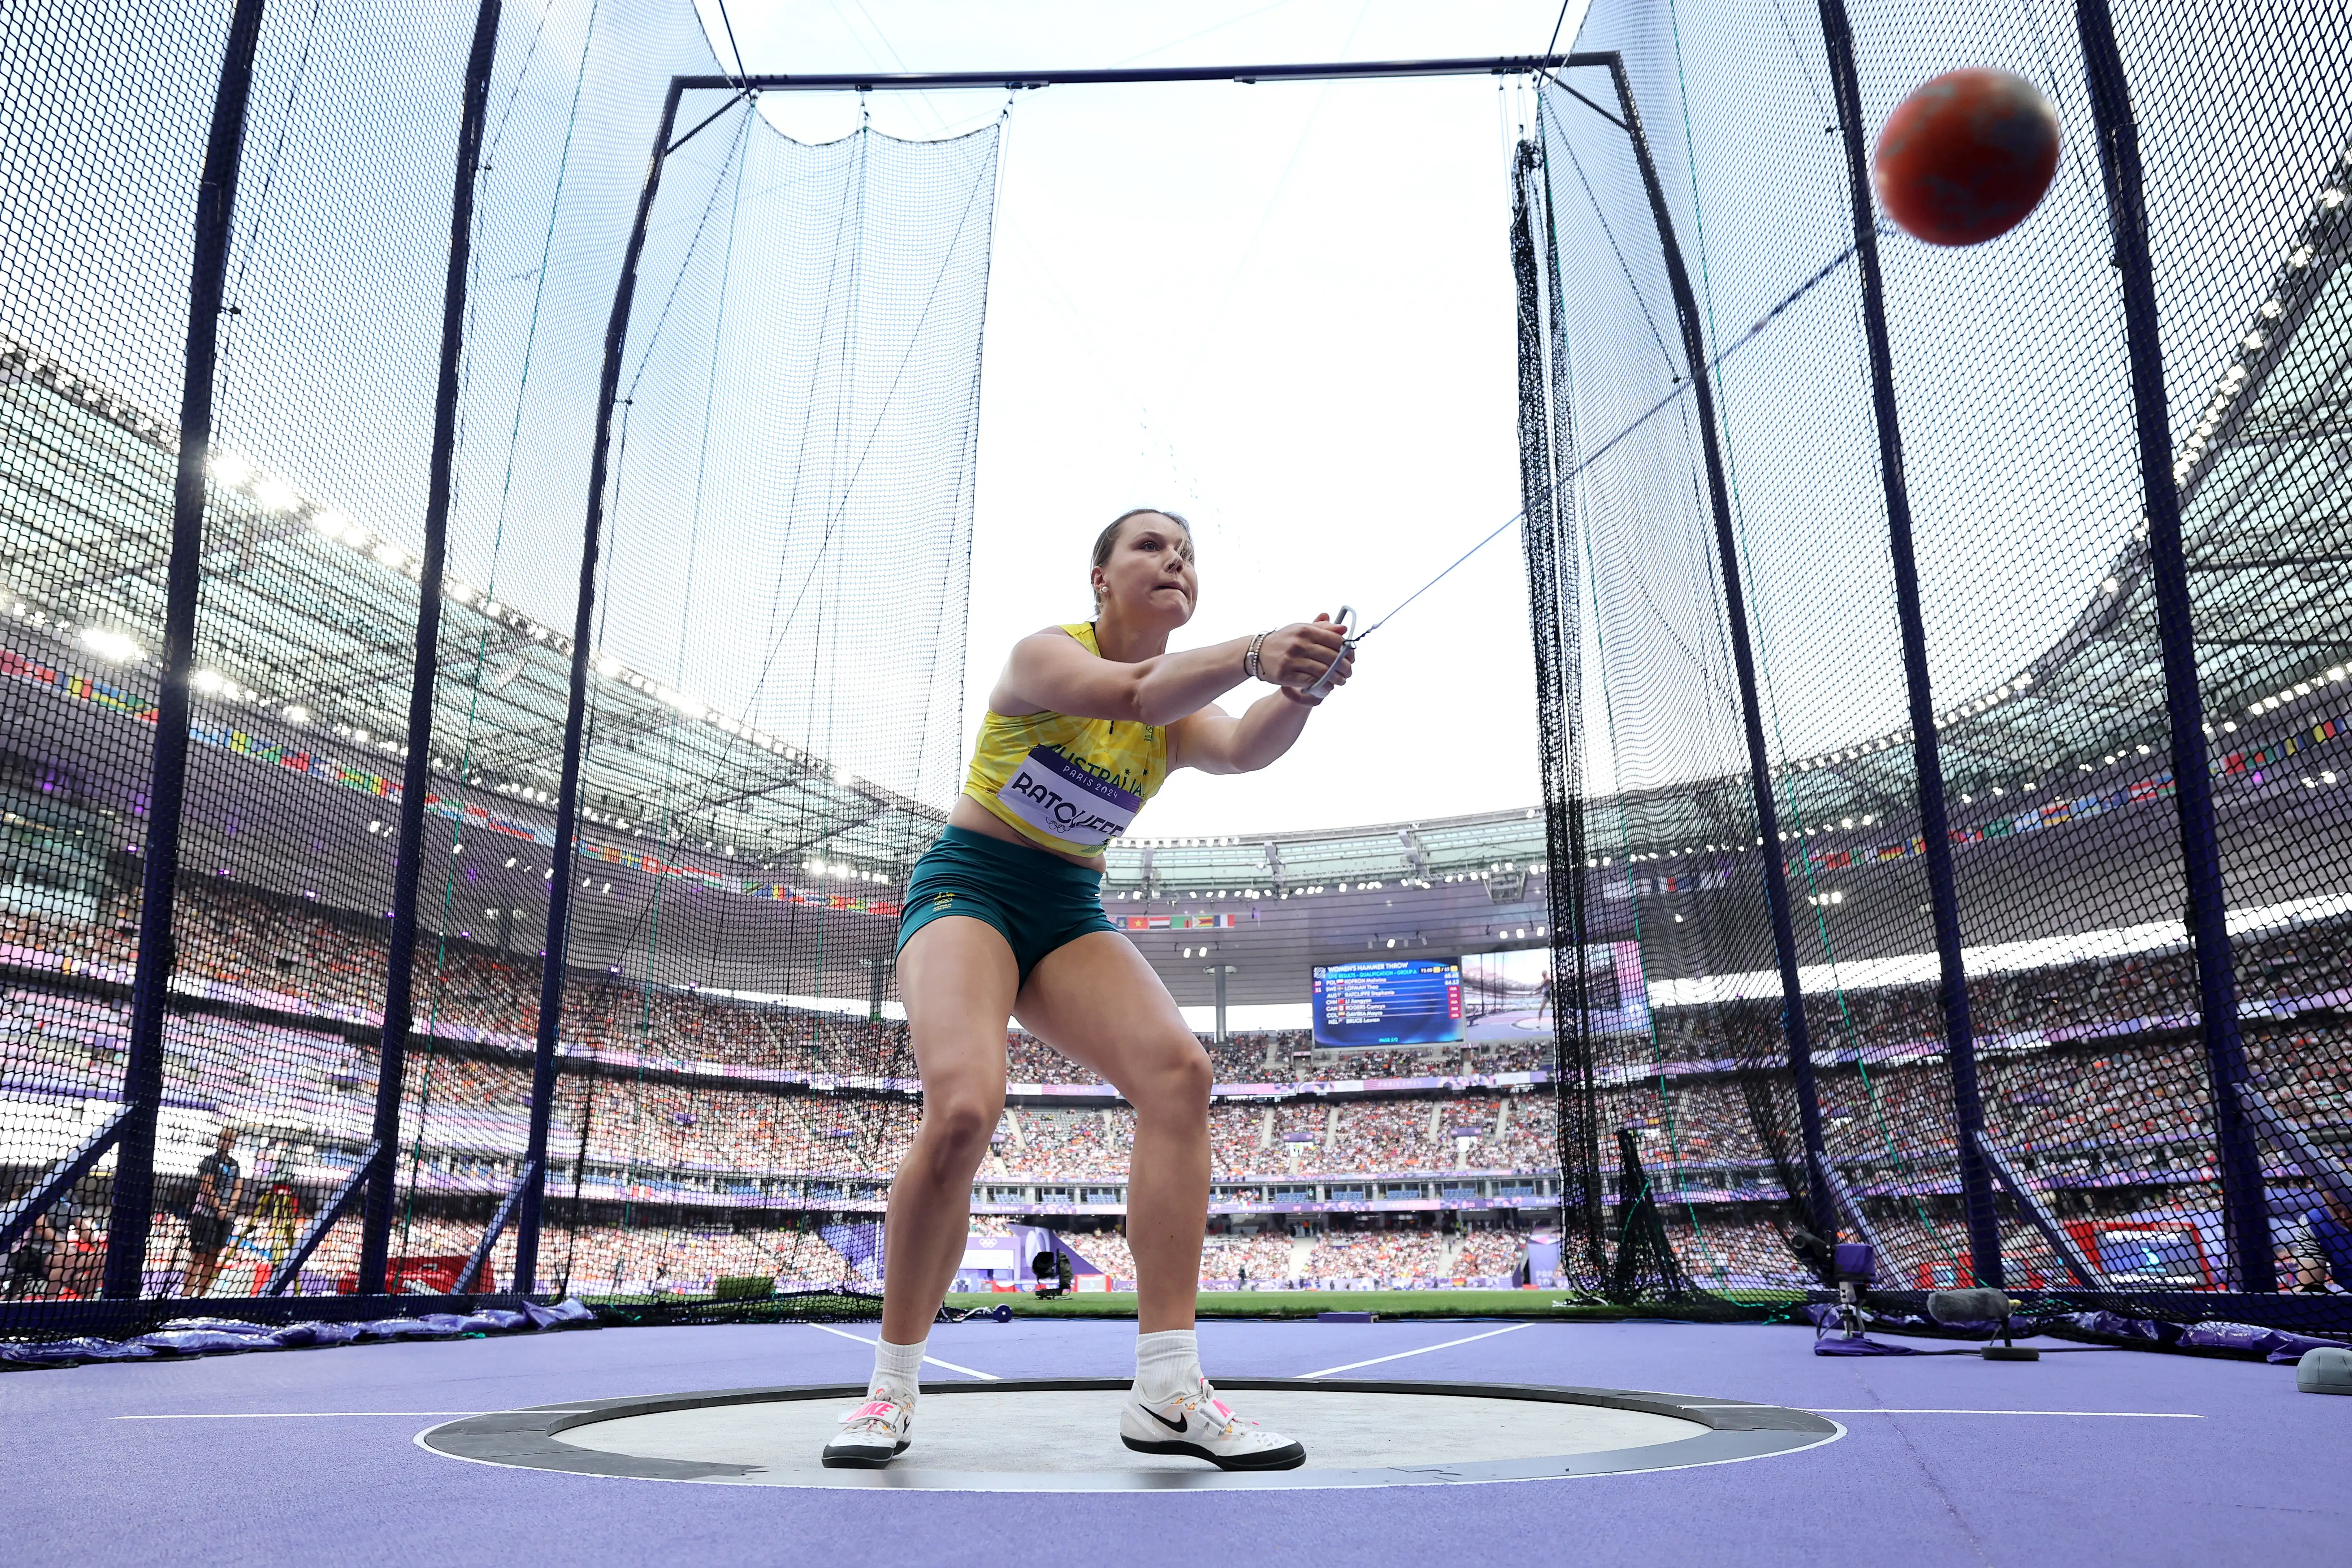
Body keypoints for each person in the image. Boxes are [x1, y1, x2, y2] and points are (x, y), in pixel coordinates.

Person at [823, 507, 1352, 1471]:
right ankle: (887, 1393)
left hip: (1069, 908)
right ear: (1100, 578)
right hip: (968, 887)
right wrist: (1261, 651)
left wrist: (1302, 689)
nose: (1175, 560)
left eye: (1187, 552)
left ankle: (1168, 1387)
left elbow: (1239, 750)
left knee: (1179, 1074)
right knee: (965, 1108)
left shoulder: (1185, 708)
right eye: (1151, 546)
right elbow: (1137, 694)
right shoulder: (1046, 659)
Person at [184, 1125, 243, 1297]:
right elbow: (206, 1187)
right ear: (219, 1140)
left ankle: (201, 1297)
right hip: (205, 1215)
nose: (226, 1143)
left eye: (230, 1141)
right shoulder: (210, 1161)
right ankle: (186, 1297)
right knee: (198, 1256)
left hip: (225, 1217)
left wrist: (228, 1208)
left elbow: (238, 1188)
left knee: (213, 1257)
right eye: (224, 1139)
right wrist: (218, 1208)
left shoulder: (235, 1165)